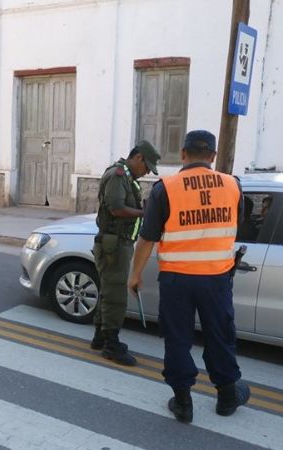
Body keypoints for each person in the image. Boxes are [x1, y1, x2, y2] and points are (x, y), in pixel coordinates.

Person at [128, 130, 250, 424]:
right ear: (213, 157)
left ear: (183, 154)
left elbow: (147, 239)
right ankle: (227, 395)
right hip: (216, 279)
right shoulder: (233, 186)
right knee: (220, 335)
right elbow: (238, 224)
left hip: (176, 281)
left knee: (178, 339)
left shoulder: (165, 188)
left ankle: (183, 402)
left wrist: (135, 275)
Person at [91, 140, 160, 366]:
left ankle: (100, 337)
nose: (147, 171)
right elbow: (117, 208)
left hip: (118, 243)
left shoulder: (128, 177)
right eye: (147, 166)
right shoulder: (119, 175)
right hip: (114, 244)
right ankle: (111, 345)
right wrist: (144, 213)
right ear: (138, 157)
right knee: (116, 296)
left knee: (108, 292)